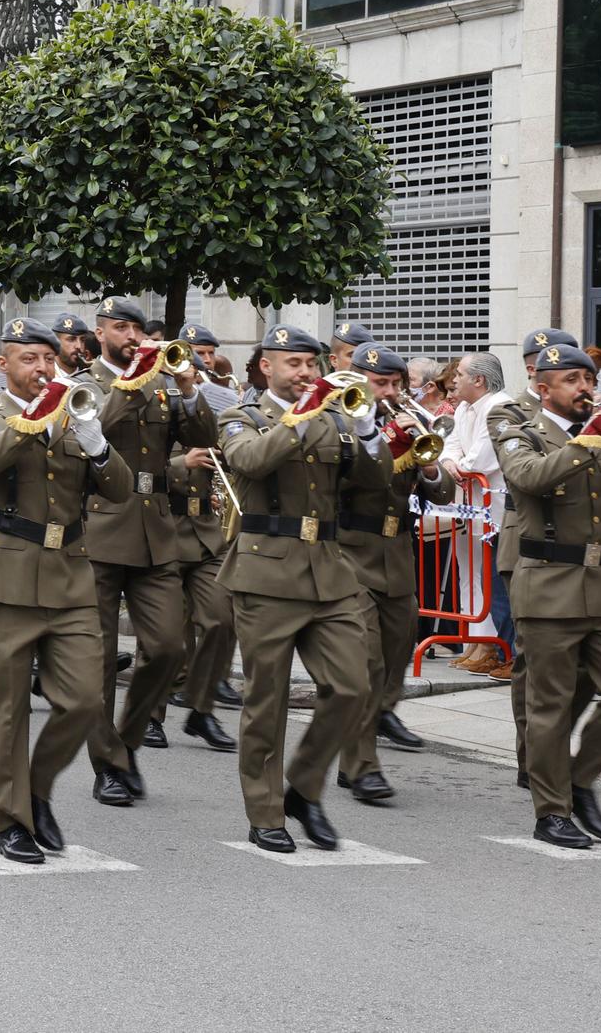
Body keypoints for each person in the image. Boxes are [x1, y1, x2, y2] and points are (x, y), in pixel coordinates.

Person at [0, 317, 130, 863]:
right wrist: (28, 422)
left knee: (83, 700)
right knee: (5, 712)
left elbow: (121, 491)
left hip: (70, 574)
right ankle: (10, 821)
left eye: (48, 360)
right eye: (28, 359)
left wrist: (99, 446)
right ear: (2, 363)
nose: (41, 369)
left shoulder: (76, 414)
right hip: (4, 575)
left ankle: (36, 788)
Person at [491, 341, 601, 849]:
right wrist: (591, 438)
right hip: (547, 583)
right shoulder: (521, 432)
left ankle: (580, 779)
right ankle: (551, 811)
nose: (586, 389)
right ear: (544, 388)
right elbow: (529, 478)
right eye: (573, 381)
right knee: (549, 705)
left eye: (589, 380)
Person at [218, 323, 389, 852]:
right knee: (266, 700)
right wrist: (302, 415)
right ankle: (266, 811)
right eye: (294, 364)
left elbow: (375, 483)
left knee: (353, 688)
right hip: (266, 573)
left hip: (329, 572)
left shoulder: (336, 417)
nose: (306, 373)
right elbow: (248, 460)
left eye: (312, 364)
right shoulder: (240, 416)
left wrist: (365, 432)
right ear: (266, 366)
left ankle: (305, 788)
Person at [83, 295, 213, 806]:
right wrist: (132, 379)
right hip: (100, 528)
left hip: (156, 528)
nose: (133, 337)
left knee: (166, 649)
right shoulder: (84, 385)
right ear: (101, 334)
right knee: (96, 660)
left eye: (138, 328)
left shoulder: (163, 384)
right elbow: (96, 431)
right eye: (121, 328)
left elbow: (203, 439)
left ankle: (127, 740)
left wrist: (187, 388)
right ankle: (107, 765)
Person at [335, 344, 455, 803]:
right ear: (360, 380)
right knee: (363, 662)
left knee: (397, 650)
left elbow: (444, 492)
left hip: (396, 555)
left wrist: (425, 461)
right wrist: (384, 443)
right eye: (380, 384)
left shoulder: (412, 422)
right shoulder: (342, 424)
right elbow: (347, 481)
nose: (389, 393)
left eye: (396, 385)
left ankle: (374, 720)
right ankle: (361, 765)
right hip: (350, 554)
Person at [159, 321, 239, 749]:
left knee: (221, 620)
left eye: (209, 354)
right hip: (163, 527)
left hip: (205, 530)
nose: (203, 362)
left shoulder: (216, 395)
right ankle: (152, 713)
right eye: (195, 353)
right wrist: (180, 464)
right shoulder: (153, 390)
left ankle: (202, 709)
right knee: (165, 637)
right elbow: (130, 461)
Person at [447, 352, 516, 677]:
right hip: (475, 510)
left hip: (500, 513)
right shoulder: (464, 408)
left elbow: (478, 461)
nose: (453, 379)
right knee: (479, 579)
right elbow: (451, 448)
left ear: (479, 380)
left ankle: (508, 651)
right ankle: (485, 645)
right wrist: (450, 463)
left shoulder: (499, 407)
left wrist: (457, 464)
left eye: (460, 373)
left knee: (501, 584)